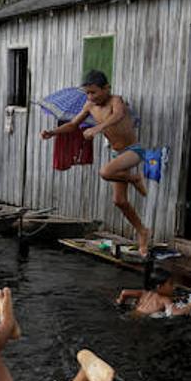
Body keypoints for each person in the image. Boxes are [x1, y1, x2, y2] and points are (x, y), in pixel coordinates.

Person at [41, 69, 152, 255]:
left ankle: (136, 178)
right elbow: (72, 125)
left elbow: (117, 115)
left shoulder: (116, 100)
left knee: (105, 172)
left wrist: (97, 128)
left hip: (133, 150)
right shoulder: (89, 106)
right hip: (118, 154)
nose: (91, 97)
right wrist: (52, 132)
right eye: (87, 93)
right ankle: (143, 231)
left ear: (106, 88)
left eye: (94, 92)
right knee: (119, 200)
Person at [117, 265, 191, 318]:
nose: (173, 287)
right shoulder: (164, 299)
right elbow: (177, 313)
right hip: (140, 320)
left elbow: (124, 292)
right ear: (159, 287)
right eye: (170, 284)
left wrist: (120, 303)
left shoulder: (145, 293)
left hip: (130, 314)